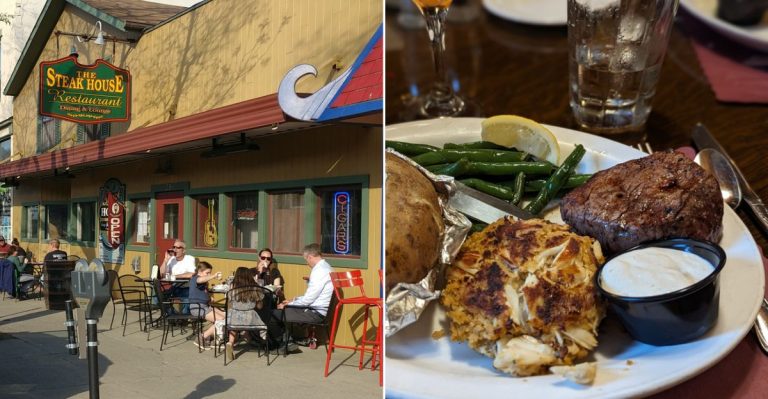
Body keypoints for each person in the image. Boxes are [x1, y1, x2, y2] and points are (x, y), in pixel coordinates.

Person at [271, 243, 333, 353]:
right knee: (282, 310)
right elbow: (311, 297)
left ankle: (284, 344)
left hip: (314, 313)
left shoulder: (319, 271)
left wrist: (288, 304)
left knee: (274, 313)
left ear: (310, 256)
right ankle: (288, 342)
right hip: (317, 310)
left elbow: (308, 300)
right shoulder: (327, 267)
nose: (307, 263)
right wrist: (293, 301)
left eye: (306, 259)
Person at [225, 267, 267, 362]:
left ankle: (230, 342)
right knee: (259, 322)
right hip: (250, 318)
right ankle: (261, 339)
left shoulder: (232, 287)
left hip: (235, 317)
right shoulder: (255, 288)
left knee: (234, 325)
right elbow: (260, 306)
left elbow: (230, 303)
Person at [187, 261, 225, 350]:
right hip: (197, 307)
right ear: (199, 271)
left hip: (205, 306)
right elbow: (200, 280)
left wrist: (210, 296)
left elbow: (203, 291)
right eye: (207, 273)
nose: (208, 275)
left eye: (210, 273)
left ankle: (215, 340)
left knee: (225, 316)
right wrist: (214, 276)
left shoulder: (203, 282)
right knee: (221, 321)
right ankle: (202, 337)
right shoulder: (196, 278)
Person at [159, 239, 196, 313]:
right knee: (158, 298)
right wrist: (165, 260)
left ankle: (182, 319)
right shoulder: (171, 259)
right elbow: (162, 274)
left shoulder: (189, 258)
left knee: (186, 301)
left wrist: (174, 276)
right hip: (175, 287)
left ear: (184, 250)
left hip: (186, 287)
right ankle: (174, 316)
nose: (175, 249)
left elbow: (192, 274)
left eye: (178, 247)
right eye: (174, 247)